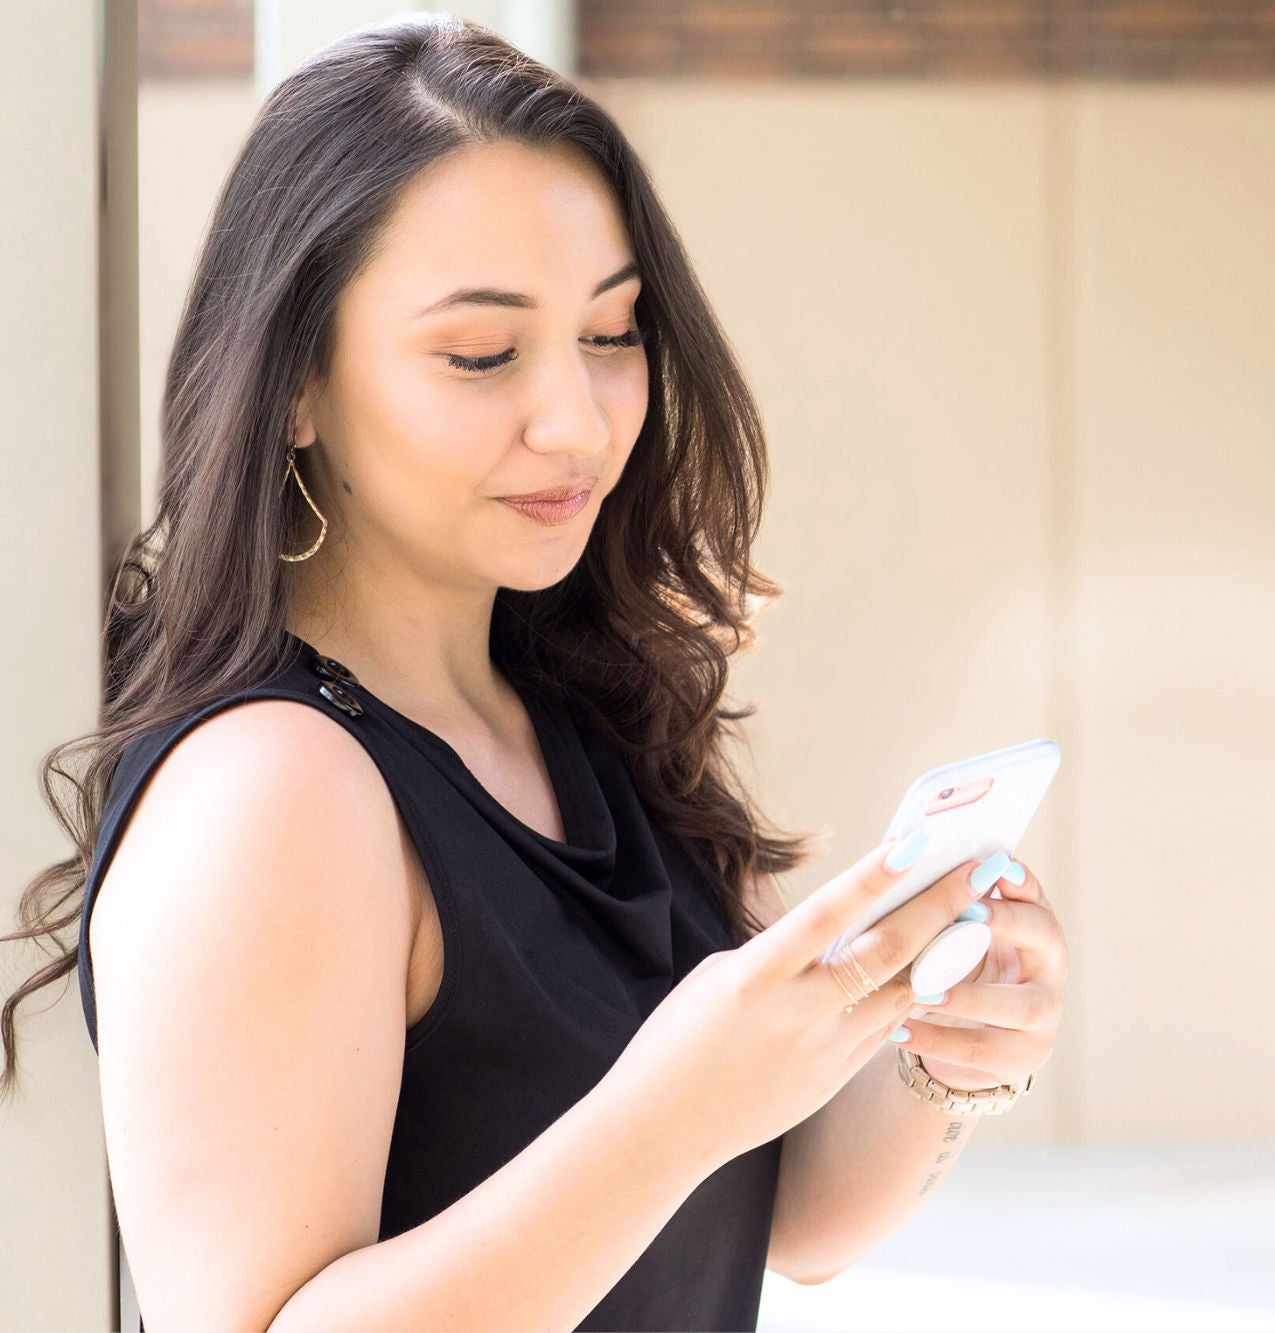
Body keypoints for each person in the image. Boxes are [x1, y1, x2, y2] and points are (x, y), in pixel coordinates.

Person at [0, 14, 1067, 1330]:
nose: (576, 417)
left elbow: (787, 1213)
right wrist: (675, 1104)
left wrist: (939, 1050)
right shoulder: (272, 788)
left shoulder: (584, 713)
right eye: (480, 354)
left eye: (612, 334)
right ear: (296, 386)